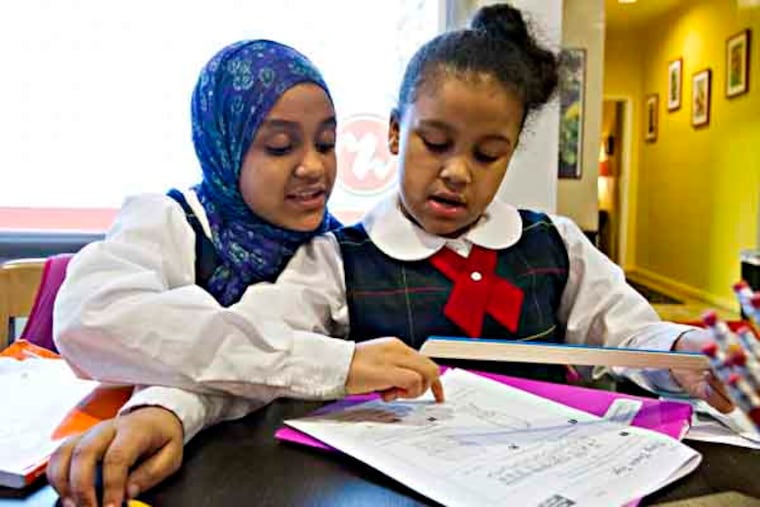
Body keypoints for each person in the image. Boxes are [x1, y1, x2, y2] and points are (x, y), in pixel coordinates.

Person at [52, 5, 732, 505]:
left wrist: (686, 352)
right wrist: (165, 407)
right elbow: (255, 342)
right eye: (436, 143)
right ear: (397, 132)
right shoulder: (335, 254)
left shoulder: (555, 241)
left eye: (488, 154)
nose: (459, 173)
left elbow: (631, 332)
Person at [48, 39, 442, 507]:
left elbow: (249, 372)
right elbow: (90, 320)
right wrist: (337, 363)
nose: (313, 167)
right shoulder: (171, 220)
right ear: (225, 146)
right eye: (279, 147)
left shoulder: (329, 248)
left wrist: (167, 409)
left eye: (326, 143)